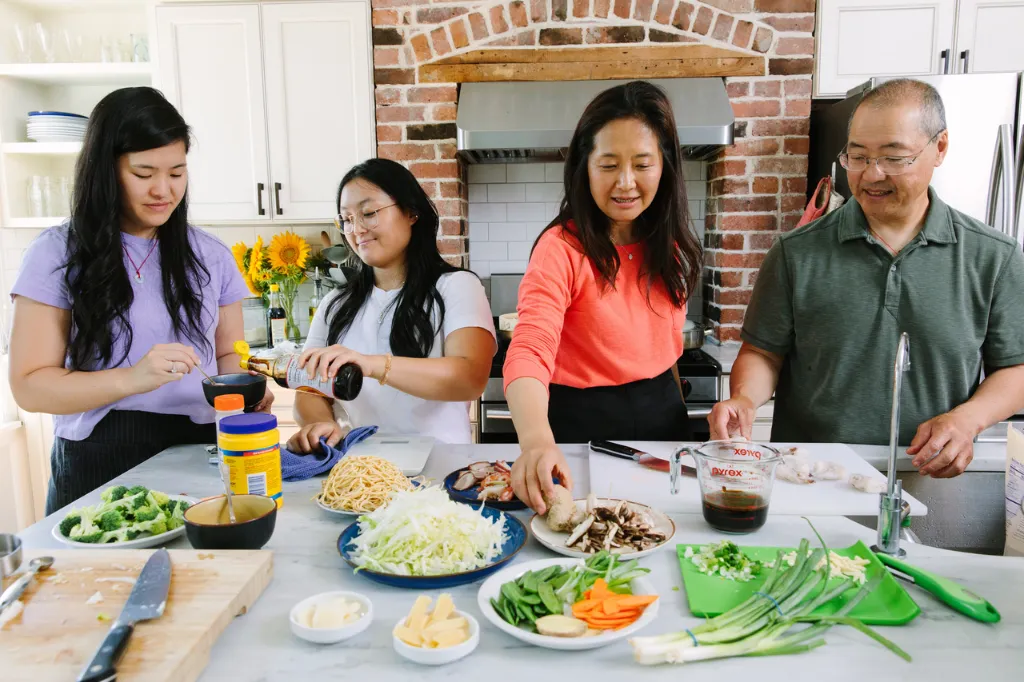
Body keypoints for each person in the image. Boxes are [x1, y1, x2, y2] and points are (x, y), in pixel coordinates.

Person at [709, 78, 1024, 478]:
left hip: (930, 475)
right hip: (813, 475)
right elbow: (763, 354)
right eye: (857, 157)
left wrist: (968, 419)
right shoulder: (796, 252)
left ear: (939, 147)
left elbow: (1016, 368)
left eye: (894, 158)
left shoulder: (994, 256)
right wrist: (744, 399)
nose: (872, 175)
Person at [8, 87, 273, 513]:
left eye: (177, 172)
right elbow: (30, 386)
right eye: (144, 173)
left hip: (200, 449)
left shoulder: (210, 255)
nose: (163, 190)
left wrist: (242, 393)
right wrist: (132, 378)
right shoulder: (56, 253)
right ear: (105, 171)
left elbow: (228, 354)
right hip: (100, 458)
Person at [505, 81, 703, 512]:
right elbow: (529, 347)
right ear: (585, 168)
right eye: (609, 164)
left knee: (665, 535)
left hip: (664, 418)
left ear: (665, 167)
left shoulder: (670, 247)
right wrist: (537, 441)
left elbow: (665, 355)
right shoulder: (561, 248)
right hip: (581, 422)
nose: (626, 183)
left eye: (642, 164)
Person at [286, 158, 495, 450]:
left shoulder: (456, 286)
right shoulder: (335, 304)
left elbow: (469, 378)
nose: (356, 229)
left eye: (368, 213)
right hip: (360, 469)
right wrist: (321, 423)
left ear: (411, 212)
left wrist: (372, 365)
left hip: (441, 464)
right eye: (346, 219)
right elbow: (309, 389)